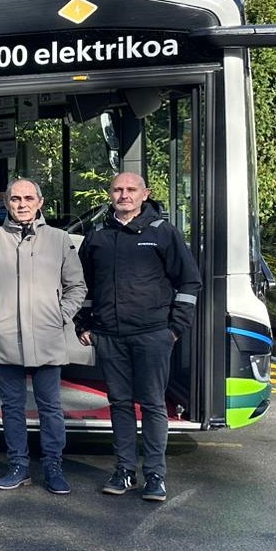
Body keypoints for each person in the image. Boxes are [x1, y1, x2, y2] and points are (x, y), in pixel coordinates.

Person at [76, 172, 200, 503]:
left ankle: (155, 475)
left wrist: (175, 329)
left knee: (153, 404)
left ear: (144, 194)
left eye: (131, 190)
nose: (124, 195)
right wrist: (83, 324)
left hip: (152, 335)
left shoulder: (163, 233)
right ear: (110, 193)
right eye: (118, 189)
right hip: (110, 336)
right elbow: (83, 287)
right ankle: (125, 471)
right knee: (118, 403)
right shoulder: (98, 237)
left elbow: (189, 282)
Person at [0, 178, 87, 494]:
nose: (22, 204)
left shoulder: (59, 240)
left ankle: (53, 466)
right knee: (12, 407)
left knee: (50, 406)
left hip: (47, 337)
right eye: (15, 199)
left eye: (28, 198)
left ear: (40, 202)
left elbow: (77, 286)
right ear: (7, 203)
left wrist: (60, 316)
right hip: (7, 336)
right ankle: (18, 466)